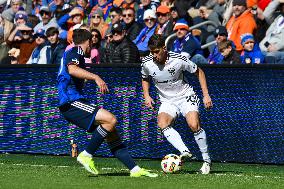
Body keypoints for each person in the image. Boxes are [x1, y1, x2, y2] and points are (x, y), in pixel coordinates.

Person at [57, 28, 158, 178]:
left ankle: (135, 169)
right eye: (91, 43)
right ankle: (86, 154)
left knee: (112, 134)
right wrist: (96, 77)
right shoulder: (76, 50)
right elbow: (72, 69)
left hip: (74, 100)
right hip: (70, 101)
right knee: (111, 119)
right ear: (89, 42)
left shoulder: (73, 53)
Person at [141, 34, 213, 174]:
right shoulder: (146, 62)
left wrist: (206, 95)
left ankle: (206, 161)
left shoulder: (179, 59)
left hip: (185, 96)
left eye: (156, 52)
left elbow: (199, 72)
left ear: (164, 48)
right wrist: (146, 95)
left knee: (193, 124)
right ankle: (184, 151)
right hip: (167, 100)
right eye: (152, 52)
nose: (154, 55)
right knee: (162, 123)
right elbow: (145, 78)